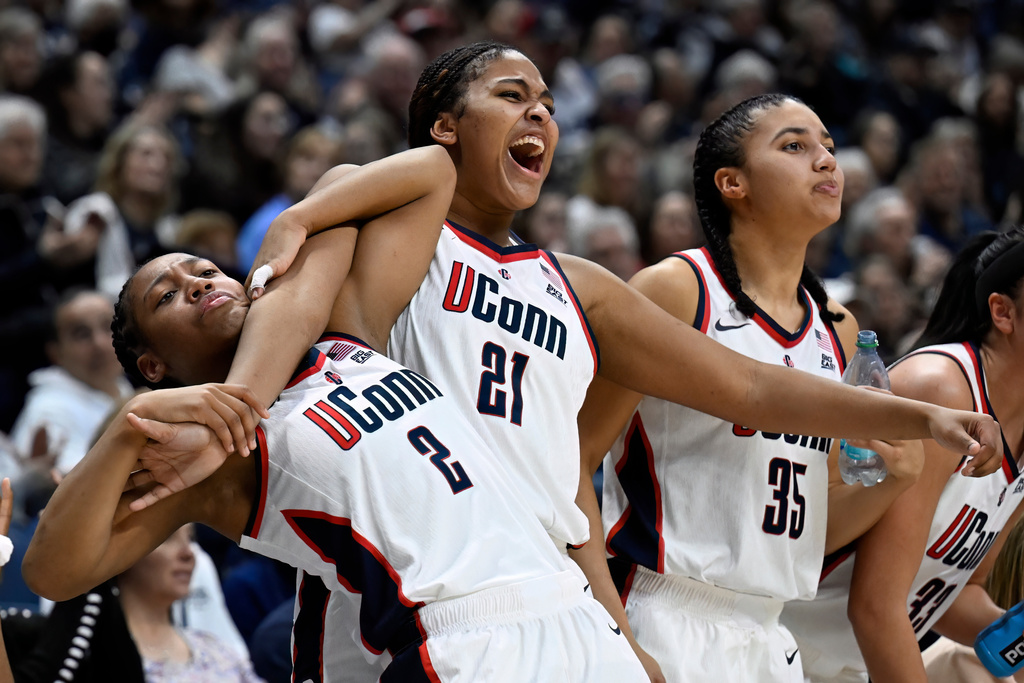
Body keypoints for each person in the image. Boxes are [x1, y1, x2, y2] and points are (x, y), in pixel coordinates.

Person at [233, 42, 1002, 682]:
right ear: (444, 126)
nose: (539, 112)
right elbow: (307, 289)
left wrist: (917, 419)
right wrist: (240, 397)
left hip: (548, 603)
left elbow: (746, 390)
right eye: (512, 95)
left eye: (548, 103)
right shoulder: (380, 225)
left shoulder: (574, 283)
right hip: (397, 586)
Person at [22, 145, 650, 682]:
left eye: (206, 270)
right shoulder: (204, 452)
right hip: (461, 634)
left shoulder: (344, 337)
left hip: (569, 602)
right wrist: (133, 422)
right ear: (153, 364)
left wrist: (299, 218)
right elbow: (52, 571)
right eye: (169, 296)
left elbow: (433, 169)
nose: (198, 283)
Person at [568, 93, 925, 683]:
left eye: (829, 148)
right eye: (795, 146)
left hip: (770, 632)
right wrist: (616, 632)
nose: (826, 161)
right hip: (661, 610)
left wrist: (897, 480)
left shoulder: (840, 329)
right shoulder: (678, 290)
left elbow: (797, 533)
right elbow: (572, 458)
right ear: (732, 183)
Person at [781, 226, 1024, 683]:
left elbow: (954, 591)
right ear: (1003, 313)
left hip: (851, 666)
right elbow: (875, 607)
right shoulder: (942, 389)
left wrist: (1013, 639)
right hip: (782, 649)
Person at [11, 289, 132, 475]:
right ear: (56, 353)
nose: (99, 344)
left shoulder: (119, 385)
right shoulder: (48, 411)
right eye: (82, 334)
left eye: (108, 326)